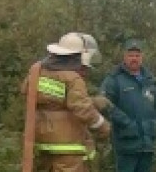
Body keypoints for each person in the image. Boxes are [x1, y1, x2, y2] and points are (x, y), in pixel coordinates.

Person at [21, 32, 111, 172]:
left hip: (41, 143)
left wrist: (92, 101)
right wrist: (103, 126)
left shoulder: (37, 72)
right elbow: (81, 108)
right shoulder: (73, 78)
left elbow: (38, 96)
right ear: (79, 56)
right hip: (68, 146)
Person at [100, 39, 156, 172]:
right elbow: (105, 104)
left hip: (147, 143)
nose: (134, 59)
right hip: (126, 142)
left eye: (137, 55)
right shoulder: (114, 79)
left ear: (142, 57)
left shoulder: (150, 79)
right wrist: (126, 122)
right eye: (131, 55)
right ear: (124, 57)